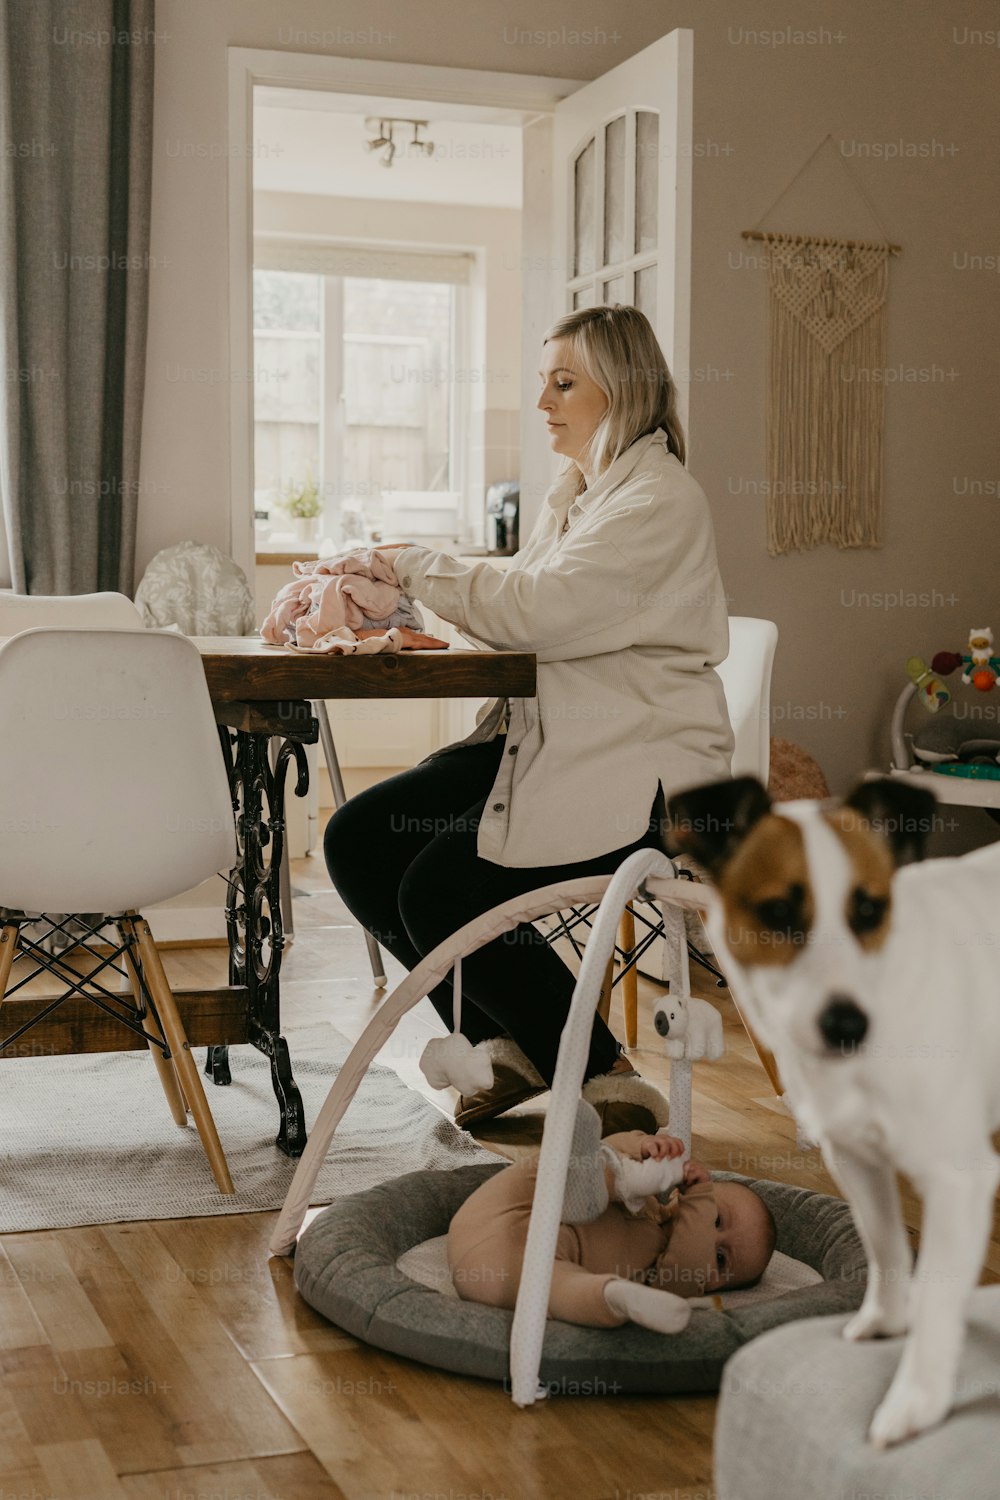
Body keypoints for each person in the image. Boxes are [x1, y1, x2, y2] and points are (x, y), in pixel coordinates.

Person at [325, 304, 734, 1135]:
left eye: (563, 382)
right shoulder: (581, 496)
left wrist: (409, 558)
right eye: (543, 382)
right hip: (559, 741)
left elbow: (537, 611)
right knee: (359, 841)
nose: (545, 402)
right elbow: (519, 606)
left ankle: (597, 1068)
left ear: (621, 389)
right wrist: (402, 606)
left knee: (440, 886)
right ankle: (506, 1047)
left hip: (639, 772)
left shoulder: (657, 501)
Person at [447, 1124, 777, 1330]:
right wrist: (643, 1147)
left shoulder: (655, 1275)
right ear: (681, 1191)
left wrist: (703, 1198)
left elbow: (686, 1273)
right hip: (505, 1208)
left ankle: (611, 1297)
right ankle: (611, 1174)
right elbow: (610, 1148)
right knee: (584, 1165)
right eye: (716, 1218)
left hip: (500, 1267)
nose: (709, 1236)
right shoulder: (645, 1194)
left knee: (558, 1288)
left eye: (720, 1260)